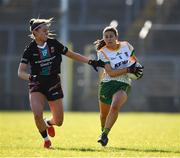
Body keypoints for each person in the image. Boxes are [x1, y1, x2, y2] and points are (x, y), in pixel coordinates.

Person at [17, 18, 104, 148]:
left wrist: (91, 61)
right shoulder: (29, 50)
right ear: (35, 32)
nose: (47, 31)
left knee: (59, 121)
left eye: (47, 29)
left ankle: (48, 123)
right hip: (37, 85)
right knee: (37, 114)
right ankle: (46, 140)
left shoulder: (54, 44)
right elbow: (20, 72)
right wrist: (31, 78)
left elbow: (72, 54)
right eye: (44, 29)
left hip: (53, 83)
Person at [94, 25, 143, 146]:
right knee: (103, 115)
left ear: (116, 37)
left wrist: (137, 70)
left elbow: (133, 62)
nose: (109, 39)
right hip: (107, 83)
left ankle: (104, 135)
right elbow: (110, 72)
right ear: (103, 38)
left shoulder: (126, 45)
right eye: (106, 37)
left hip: (124, 82)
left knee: (115, 106)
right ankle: (103, 131)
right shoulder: (102, 52)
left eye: (111, 36)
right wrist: (128, 70)